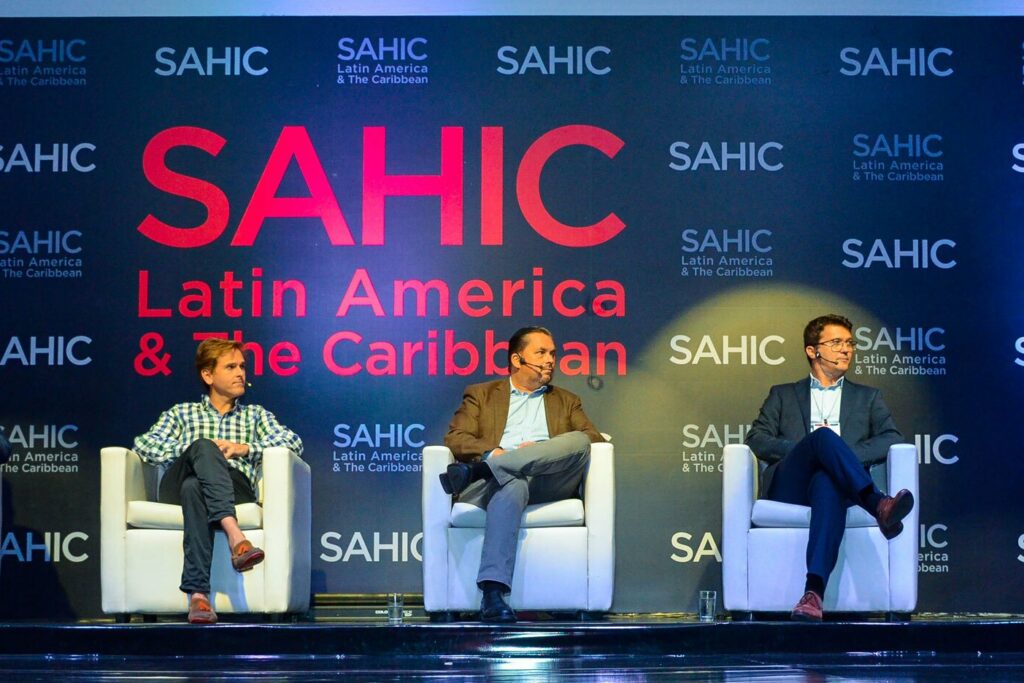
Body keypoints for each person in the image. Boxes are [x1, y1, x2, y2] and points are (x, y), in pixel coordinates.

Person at [745, 314, 913, 622]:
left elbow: (891, 438)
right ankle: (879, 505)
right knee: (822, 439)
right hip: (791, 483)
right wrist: (809, 449)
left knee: (827, 479)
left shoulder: (868, 397)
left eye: (850, 343)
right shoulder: (782, 394)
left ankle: (813, 593)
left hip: (839, 485)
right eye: (836, 342)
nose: (846, 349)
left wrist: (838, 456)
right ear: (813, 350)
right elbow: (756, 438)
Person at [133, 338, 303, 624]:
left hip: (232, 488)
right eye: (231, 367)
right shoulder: (182, 413)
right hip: (177, 482)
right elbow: (144, 444)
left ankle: (199, 596)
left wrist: (244, 448)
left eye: (242, 366)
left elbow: (293, 442)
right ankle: (236, 537)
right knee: (201, 450)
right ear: (208, 375)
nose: (241, 373)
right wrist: (194, 449)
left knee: (195, 488)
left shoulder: (255, 415)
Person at [441, 326, 604, 623]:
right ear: (517, 360)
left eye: (553, 353)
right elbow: (456, 438)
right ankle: (492, 593)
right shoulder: (482, 394)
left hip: (548, 482)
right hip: (497, 485)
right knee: (512, 482)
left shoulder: (567, 400)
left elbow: (593, 440)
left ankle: (483, 469)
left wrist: (541, 450)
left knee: (579, 441)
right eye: (541, 353)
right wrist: (495, 452)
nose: (550, 360)